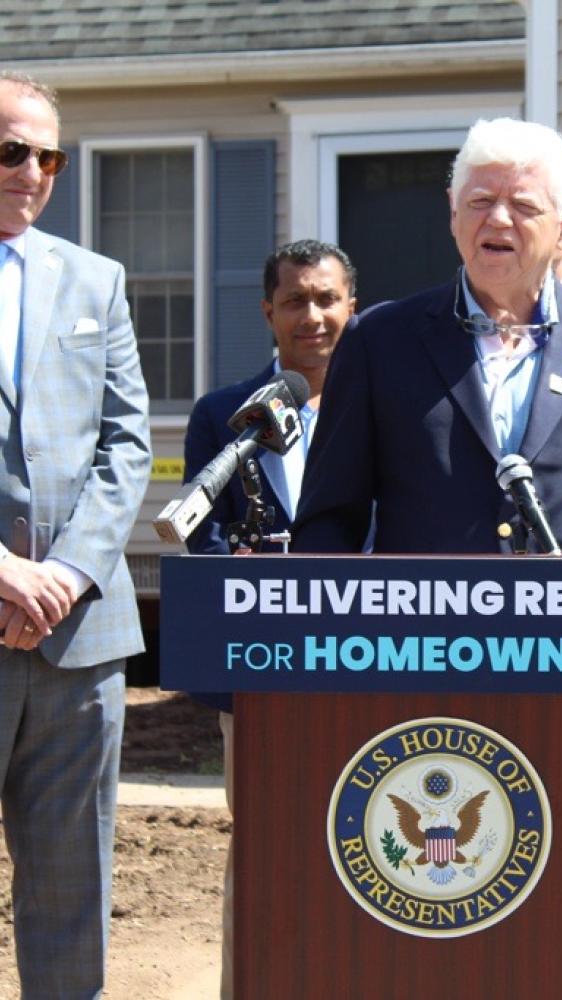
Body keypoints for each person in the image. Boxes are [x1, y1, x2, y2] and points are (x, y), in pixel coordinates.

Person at [291, 116, 562, 560]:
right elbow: (326, 523)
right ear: (453, 212)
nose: (498, 218)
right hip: (421, 627)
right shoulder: (378, 341)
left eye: (523, 205)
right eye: (480, 201)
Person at [0, 71, 151, 996]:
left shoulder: (96, 279)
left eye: (48, 155)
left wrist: (65, 573)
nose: (32, 171)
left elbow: (128, 441)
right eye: (11, 149)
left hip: (76, 636)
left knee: (69, 892)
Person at [182, 238, 357, 1000]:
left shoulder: (384, 407)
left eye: (327, 300)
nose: (312, 317)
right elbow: (201, 533)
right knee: (265, 852)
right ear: (268, 313)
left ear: (353, 306)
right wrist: (240, 580)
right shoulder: (223, 414)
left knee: (364, 839)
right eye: (295, 301)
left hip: (366, 667)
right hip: (259, 676)